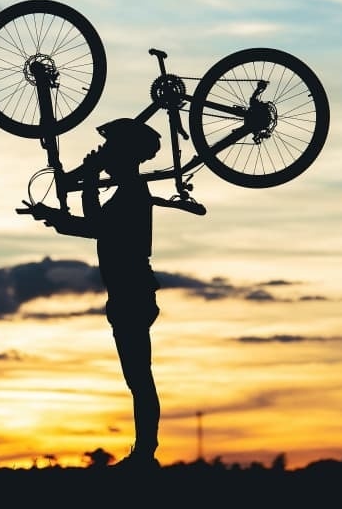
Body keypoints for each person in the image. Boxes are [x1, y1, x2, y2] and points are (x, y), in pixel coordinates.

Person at [21, 117, 205, 471]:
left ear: (125, 156)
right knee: (138, 378)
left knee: (139, 378)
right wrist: (55, 216)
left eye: (111, 151)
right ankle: (144, 453)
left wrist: (88, 183)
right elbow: (96, 228)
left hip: (132, 294)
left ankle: (145, 454)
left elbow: (97, 227)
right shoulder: (128, 192)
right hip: (128, 294)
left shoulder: (133, 193)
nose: (105, 156)